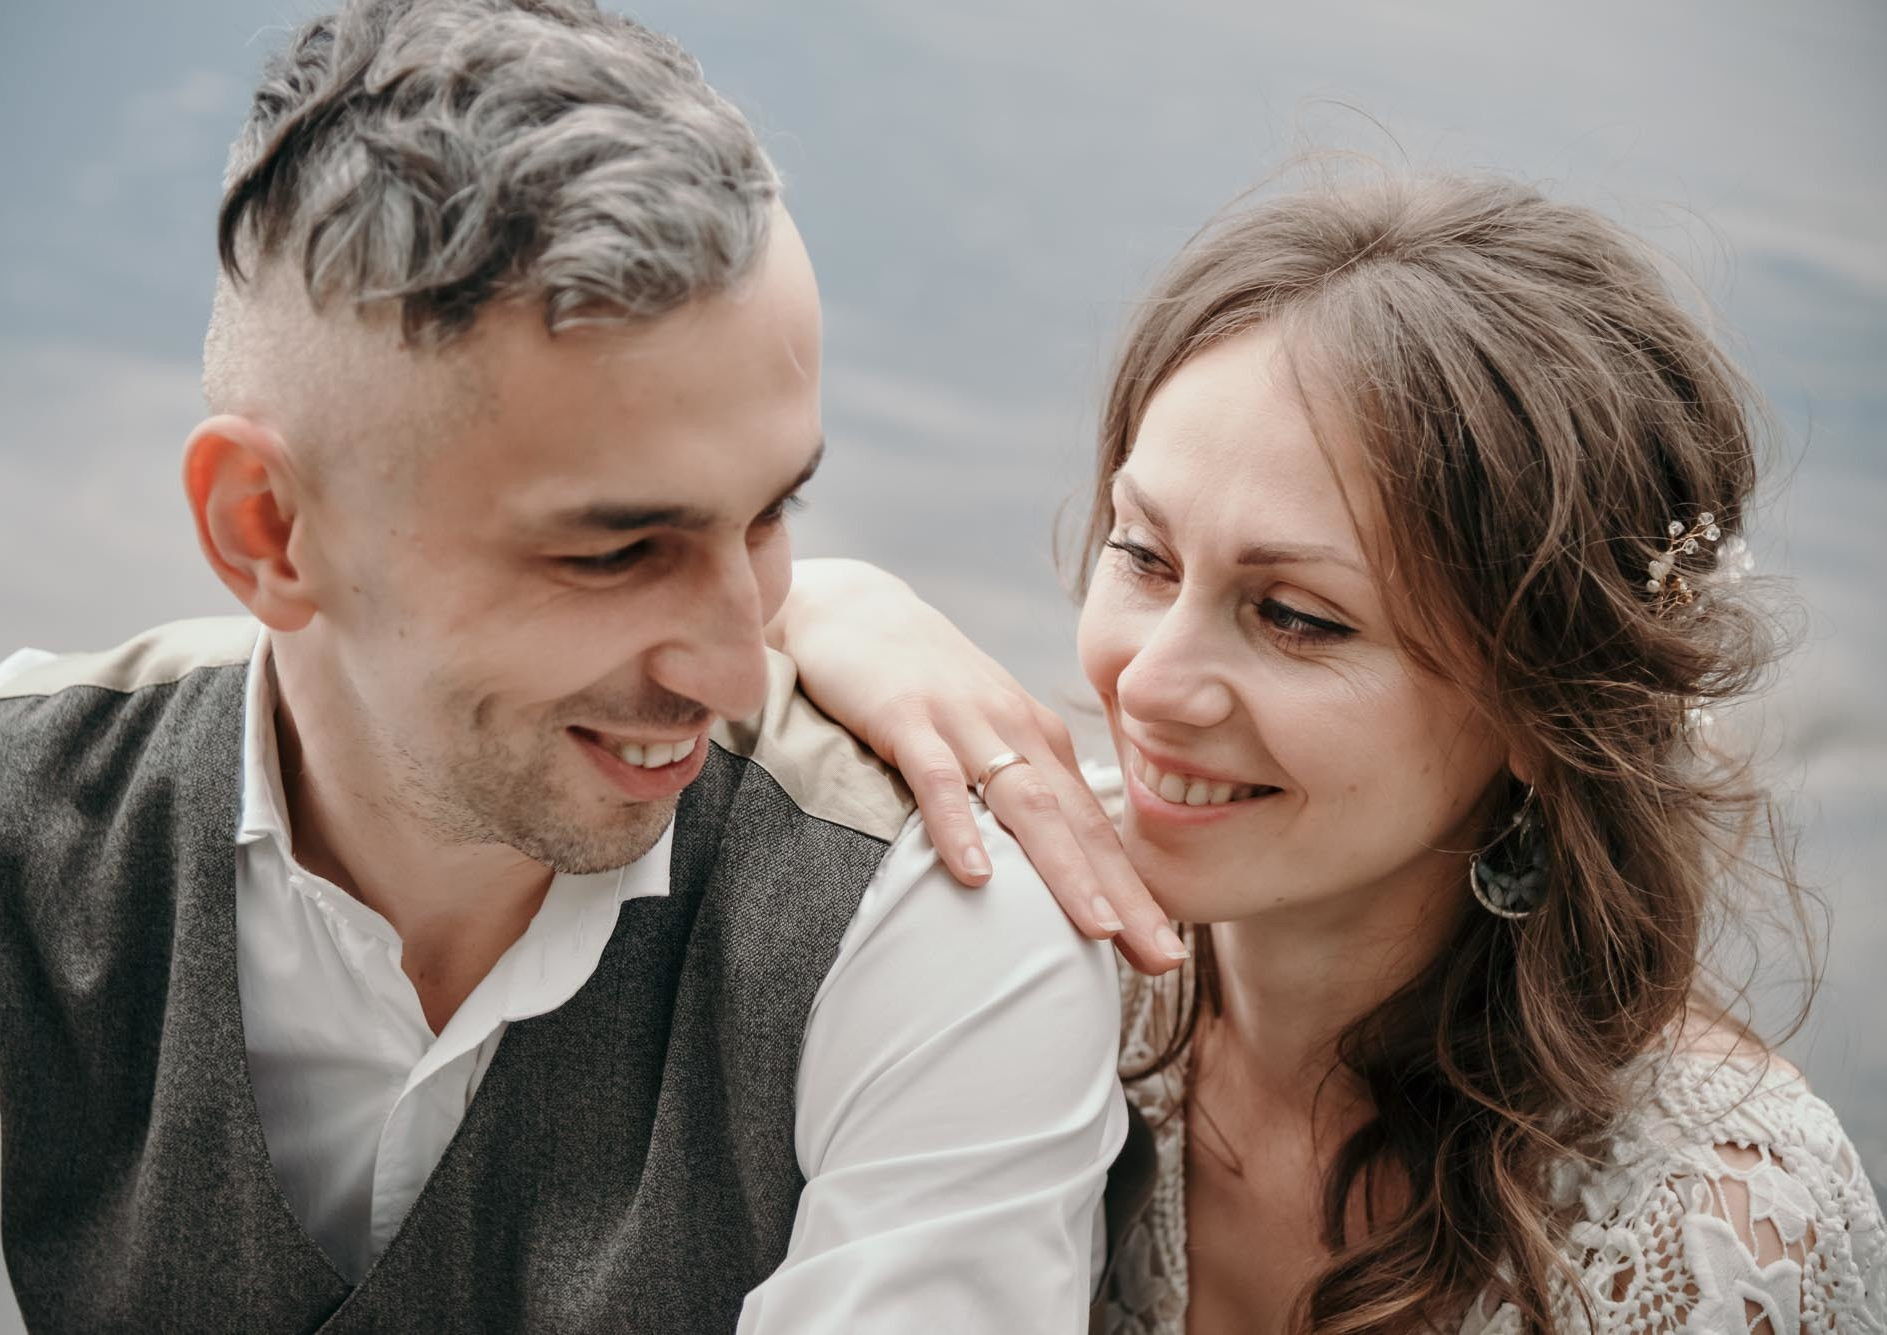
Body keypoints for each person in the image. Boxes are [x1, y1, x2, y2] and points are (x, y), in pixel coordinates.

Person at [0, 2, 1129, 1329]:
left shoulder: (942, 935)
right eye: (616, 553)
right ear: (267, 529)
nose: (734, 665)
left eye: (773, 515)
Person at [770, 170, 1887, 1332]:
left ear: (1540, 708)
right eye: (1142, 554)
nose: (1144, 685)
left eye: (1294, 617)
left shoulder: (1703, 1232)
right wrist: (816, 608)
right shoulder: (992, 944)